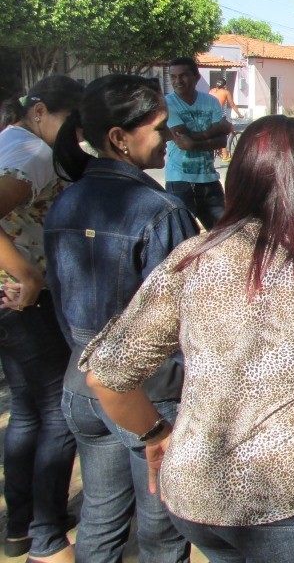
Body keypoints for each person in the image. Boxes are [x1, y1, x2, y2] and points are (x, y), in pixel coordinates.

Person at [80, 116, 294, 563]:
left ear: (237, 177)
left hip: (194, 499)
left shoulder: (191, 259)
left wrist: (155, 434)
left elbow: (106, 376)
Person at [46, 75, 198, 563]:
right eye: (159, 127)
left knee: (100, 521)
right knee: (163, 534)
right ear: (119, 138)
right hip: (148, 396)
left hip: (82, 384)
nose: (169, 137)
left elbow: (62, 300)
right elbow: (187, 317)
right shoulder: (162, 211)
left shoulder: (65, 201)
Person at [0, 75, 82, 563]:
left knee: (28, 410)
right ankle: (47, 528)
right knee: (55, 412)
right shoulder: (32, 152)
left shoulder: (12, 140)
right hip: (25, 299)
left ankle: (19, 526)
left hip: (12, 302)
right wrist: (26, 273)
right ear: (39, 112)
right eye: (70, 122)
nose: (75, 134)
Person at [164, 57, 231, 229]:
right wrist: (216, 129)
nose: (178, 81)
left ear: (196, 77)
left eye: (183, 75)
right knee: (182, 235)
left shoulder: (211, 101)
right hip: (179, 181)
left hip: (209, 179)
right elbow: (181, 138)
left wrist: (193, 144)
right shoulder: (167, 103)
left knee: (222, 232)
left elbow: (222, 141)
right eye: (173, 77)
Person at [209, 79, 243, 161]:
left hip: (209, 115)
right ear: (224, 85)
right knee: (224, 133)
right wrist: (239, 114)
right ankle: (225, 155)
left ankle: (218, 149)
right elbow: (232, 104)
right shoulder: (226, 92)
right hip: (218, 116)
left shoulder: (211, 91)